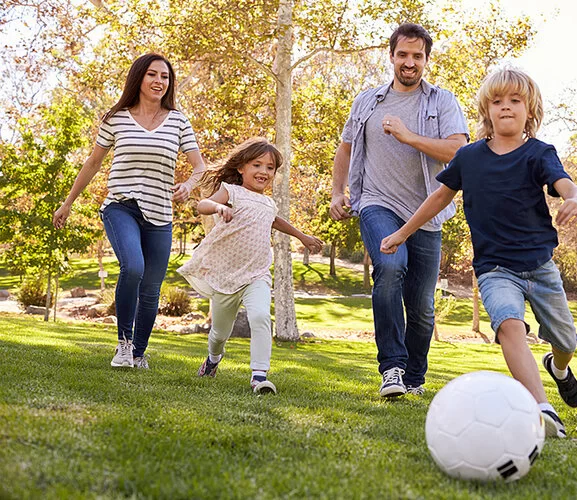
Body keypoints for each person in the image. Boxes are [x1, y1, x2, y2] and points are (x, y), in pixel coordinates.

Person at [380, 67, 577, 438]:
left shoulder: (539, 153)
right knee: (509, 325)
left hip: (540, 267)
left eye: (515, 101)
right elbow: (439, 197)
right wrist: (401, 233)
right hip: (494, 268)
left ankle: (558, 367)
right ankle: (541, 407)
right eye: (497, 101)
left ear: (530, 111)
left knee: (566, 341)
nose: (505, 107)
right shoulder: (469, 156)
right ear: (486, 111)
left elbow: (566, 185)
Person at [329, 23, 469, 398]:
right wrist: (337, 192)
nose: (409, 62)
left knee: (422, 307)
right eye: (403, 55)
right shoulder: (367, 102)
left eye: (417, 56)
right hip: (377, 202)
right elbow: (345, 148)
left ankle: (414, 378)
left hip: (426, 211)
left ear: (426, 59)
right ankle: (391, 368)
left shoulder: (443, 102)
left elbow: (458, 151)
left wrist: (409, 136)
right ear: (391, 56)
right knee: (389, 268)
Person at [53, 53, 206, 369]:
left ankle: (138, 353)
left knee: (151, 289)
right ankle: (123, 345)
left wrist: (189, 186)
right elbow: (93, 163)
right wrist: (68, 203)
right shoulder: (117, 118)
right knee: (133, 267)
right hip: (121, 206)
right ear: (138, 78)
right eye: (152, 74)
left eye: (164, 77)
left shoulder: (179, 121)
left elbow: (199, 166)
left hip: (161, 212)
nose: (159, 81)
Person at [178, 138, 323, 394]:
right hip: (226, 275)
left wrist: (303, 237)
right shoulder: (231, 191)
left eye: (270, 168)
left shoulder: (268, 203)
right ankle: (213, 359)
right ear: (242, 168)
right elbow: (203, 204)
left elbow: (276, 221)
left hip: (256, 274)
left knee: (260, 317)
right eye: (257, 165)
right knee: (220, 334)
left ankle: (259, 375)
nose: (264, 172)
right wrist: (219, 206)